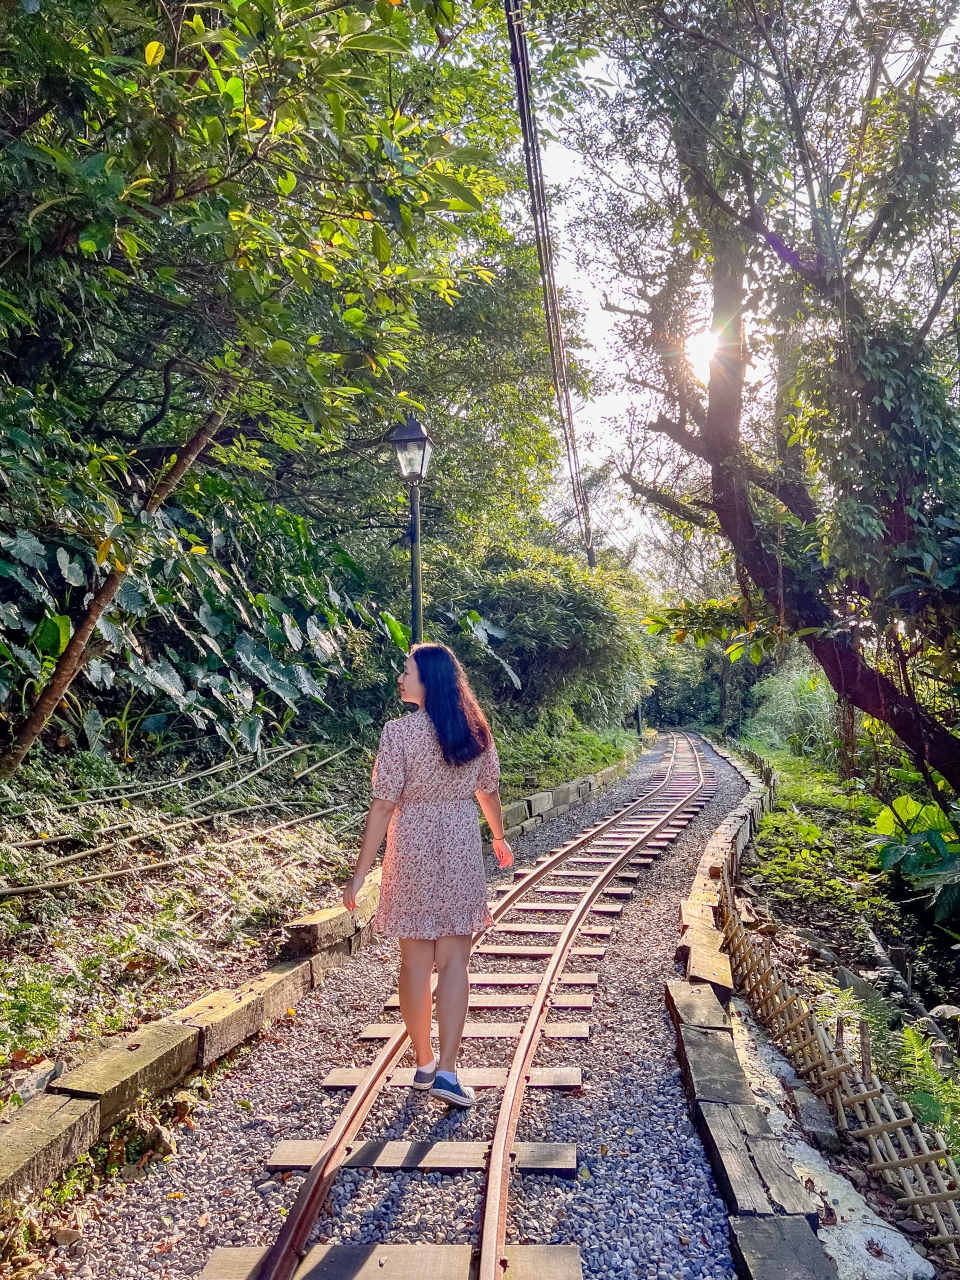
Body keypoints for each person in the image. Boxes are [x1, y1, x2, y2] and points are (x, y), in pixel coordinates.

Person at [342, 642, 513, 1108]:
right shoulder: (475, 732)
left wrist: (359, 875)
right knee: (455, 960)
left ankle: (423, 1063)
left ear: (428, 681)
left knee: (414, 963)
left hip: (411, 844)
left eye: (407, 672)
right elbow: (489, 792)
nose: (400, 679)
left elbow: (382, 805)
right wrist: (498, 838)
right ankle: (449, 1072)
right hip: (458, 844)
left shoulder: (397, 734)